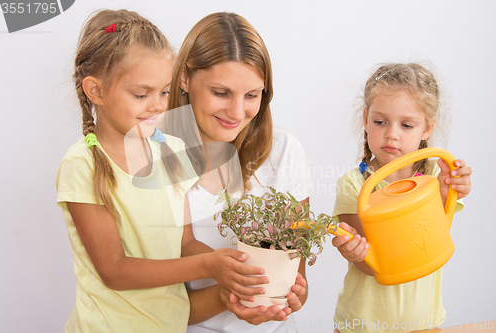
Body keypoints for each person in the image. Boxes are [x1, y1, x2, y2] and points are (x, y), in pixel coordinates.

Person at [55, 9, 266, 333]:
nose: (156, 105)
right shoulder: (82, 165)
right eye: (141, 94)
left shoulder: (174, 151)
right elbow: (115, 270)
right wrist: (208, 264)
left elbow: (184, 244)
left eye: (164, 92)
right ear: (95, 90)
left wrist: (234, 269)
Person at [163, 12, 314, 332]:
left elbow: (296, 272)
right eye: (221, 92)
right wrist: (227, 294)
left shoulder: (285, 152)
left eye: (251, 95)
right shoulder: (157, 161)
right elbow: (156, 309)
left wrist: (297, 293)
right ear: (185, 79)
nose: (236, 112)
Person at [331, 63, 472, 333]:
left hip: (424, 325)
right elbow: (373, 266)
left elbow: (437, 232)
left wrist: (452, 187)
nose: (391, 134)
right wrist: (354, 251)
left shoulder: (434, 176)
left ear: (427, 128)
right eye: (380, 122)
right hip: (362, 326)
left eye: (407, 125)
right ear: (365, 119)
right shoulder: (354, 184)